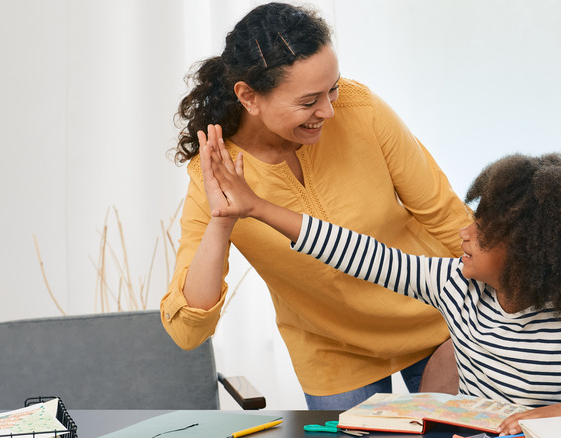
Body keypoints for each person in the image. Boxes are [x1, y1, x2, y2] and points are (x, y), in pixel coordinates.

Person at [201, 144, 561, 435]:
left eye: (482, 231)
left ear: (530, 252)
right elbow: (359, 253)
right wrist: (258, 207)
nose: (465, 233)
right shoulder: (456, 287)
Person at [160, 2, 473, 410]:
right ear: (248, 96)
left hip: (437, 323)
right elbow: (188, 330)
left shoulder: (360, 109)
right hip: (333, 352)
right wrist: (222, 222)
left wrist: (493, 319)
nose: (328, 110)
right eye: (309, 101)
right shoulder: (214, 172)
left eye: (333, 88)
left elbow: (447, 216)